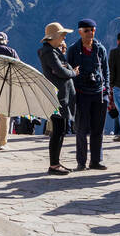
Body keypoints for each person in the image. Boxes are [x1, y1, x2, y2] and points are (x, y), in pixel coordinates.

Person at [66, 20, 109, 170]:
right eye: (87, 30)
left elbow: (106, 70)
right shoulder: (73, 50)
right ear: (80, 32)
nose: (90, 33)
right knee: (81, 130)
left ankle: (96, 161)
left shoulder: (100, 49)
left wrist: (107, 90)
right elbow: (68, 71)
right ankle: (81, 162)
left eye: (93, 30)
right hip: (81, 94)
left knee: (98, 129)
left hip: (99, 94)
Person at [38, 22, 76, 175]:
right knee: (58, 131)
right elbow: (61, 71)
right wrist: (74, 73)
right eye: (62, 35)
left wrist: (66, 64)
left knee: (60, 131)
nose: (64, 38)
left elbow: (62, 68)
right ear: (54, 37)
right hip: (57, 97)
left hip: (61, 96)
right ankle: (54, 165)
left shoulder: (53, 51)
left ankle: (56, 163)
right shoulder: (49, 53)